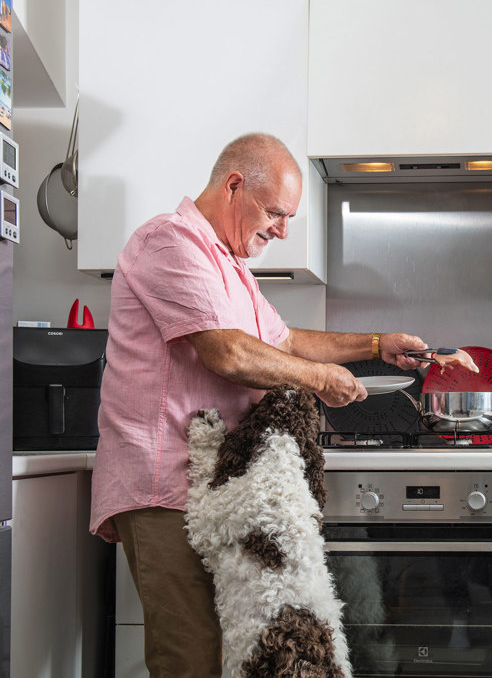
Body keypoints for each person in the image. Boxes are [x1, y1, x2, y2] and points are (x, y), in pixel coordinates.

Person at [89, 132, 428, 677]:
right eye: (275, 212)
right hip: (165, 486)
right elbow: (225, 351)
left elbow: (284, 342)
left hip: (217, 488)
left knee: (230, 656)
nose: (282, 229)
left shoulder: (231, 265)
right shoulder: (170, 243)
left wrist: (375, 345)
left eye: (289, 217)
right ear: (234, 185)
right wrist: (318, 379)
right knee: (190, 657)